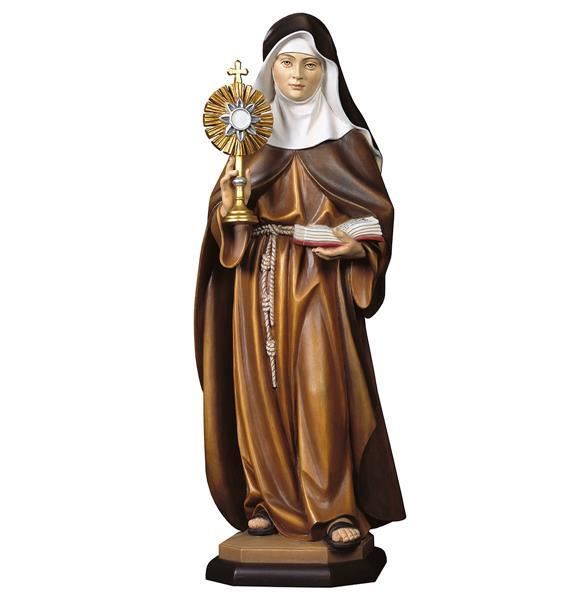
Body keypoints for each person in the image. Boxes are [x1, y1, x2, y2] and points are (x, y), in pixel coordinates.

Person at [194, 13, 405, 550]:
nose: (297, 74)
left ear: (326, 72)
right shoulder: (249, 142)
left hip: (319, 279)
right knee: (258, 391)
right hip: (255, 279)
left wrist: (358, 245)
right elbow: (220, 215)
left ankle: (333, 508)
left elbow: (376, 215)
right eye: (286, 63)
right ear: (270, 70)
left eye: (310, 64)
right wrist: (232, 212)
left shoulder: (348, 143)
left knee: (321, 389)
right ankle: (266, 501)